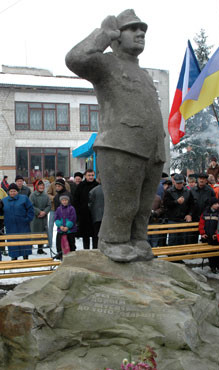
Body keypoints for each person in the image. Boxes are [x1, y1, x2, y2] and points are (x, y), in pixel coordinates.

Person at [65, 9, 165, 262]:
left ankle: (137, 239)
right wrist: (102, 35)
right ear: (117, 34)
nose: (141, 33)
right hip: (121, 145)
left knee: (143, 206)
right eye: (133, 28)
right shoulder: (106, 62)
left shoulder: (143, 73)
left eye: (143, 29)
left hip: (151, 148)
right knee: (123, 203)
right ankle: (114, 240)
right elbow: (76, 59)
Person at [1, 183, 34, 260]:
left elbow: (30, 210)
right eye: (11, 191)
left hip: (23, 225)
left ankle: (25, 256)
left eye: (14, 191)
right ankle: (14, 257)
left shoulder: (24, 198)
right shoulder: (4, 201)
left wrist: (27, 219)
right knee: (12, 242)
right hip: (10, 226)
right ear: (8, 192)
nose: (12, 193)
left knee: (24, 240)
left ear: (17, 191)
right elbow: (1, 212)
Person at [163, 173, 193, 246]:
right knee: (172, 239)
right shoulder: (169, 191)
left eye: (181, 183)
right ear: (174, 182)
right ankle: (171, 256)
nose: (179, 184)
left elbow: (192, 205)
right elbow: (165, 205)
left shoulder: (188, 191)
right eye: (178, 183)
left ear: (183, 182)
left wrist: (189, 214)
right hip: (172, 219)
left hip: (183, 218)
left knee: (182, 239)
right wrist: (176, 202)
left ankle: (180, 256)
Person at [74, 169, 99, 249]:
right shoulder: (81, 186)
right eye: (89, 175)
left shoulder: (97, 185)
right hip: (84, 215)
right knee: (86, 236)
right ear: (85, 176)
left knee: (96, 236)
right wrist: (78, 213)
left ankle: (96, 252)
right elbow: (76, 200)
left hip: (96, 215)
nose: (91, 177)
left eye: (92, 175)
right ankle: (86, 252)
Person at [47, 171, 71, 248]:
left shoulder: (66, 184)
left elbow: (68, 194)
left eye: (60, 177)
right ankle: (49, 243)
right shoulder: (52, 184)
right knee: (50, 225)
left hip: (64, 209)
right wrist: (54, 198)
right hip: (53, 208)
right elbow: (48, 193)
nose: (59, 178)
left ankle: (64, 243)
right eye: (58, 177)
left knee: (63, 226)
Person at [199, 197, 219, 274]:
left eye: (218, 203)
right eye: (215, 204)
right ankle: (212, 266)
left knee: (217, 251)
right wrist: (202, 233)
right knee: (210, 252)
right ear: (211, 205)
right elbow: (201, 224)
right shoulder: (205, 213)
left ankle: (218, 265)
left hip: (215, 237)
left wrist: (216, 233)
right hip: (207, 236)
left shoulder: (218, 213)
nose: (217, 205)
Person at [30, 180, 51, 254]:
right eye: (40, 185)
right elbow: (31, 205)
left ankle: (40, 248)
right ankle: (30, 247)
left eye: (42, 185)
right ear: (37, 186)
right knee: (34, 231)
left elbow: (49, 205)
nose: (41, 187)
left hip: (43, 216)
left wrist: (45, 212)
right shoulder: (33, 195)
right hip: (35, 217)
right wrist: (39, 212)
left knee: (42, 232)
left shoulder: (46, 196)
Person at [54, 194, 77, 260]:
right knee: (59, 244)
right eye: (63, 200)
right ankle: (60, 255)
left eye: (66, 200)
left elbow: (73, 218)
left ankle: (72, 256)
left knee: (71, 244)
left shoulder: (71, 208)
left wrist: (67, 226)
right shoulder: (58, 209)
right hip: (60, 230)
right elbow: (56, 218)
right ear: (61, 201)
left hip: (70, 230)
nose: (64, 201)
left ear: (68, 201)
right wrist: (60, 225)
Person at [88, 177, 104, 244]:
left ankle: (96, 247)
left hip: (96, 215)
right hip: (107, 216)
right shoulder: (110, 190)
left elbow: (90, 203)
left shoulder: (93, 191)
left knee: (96, 234)